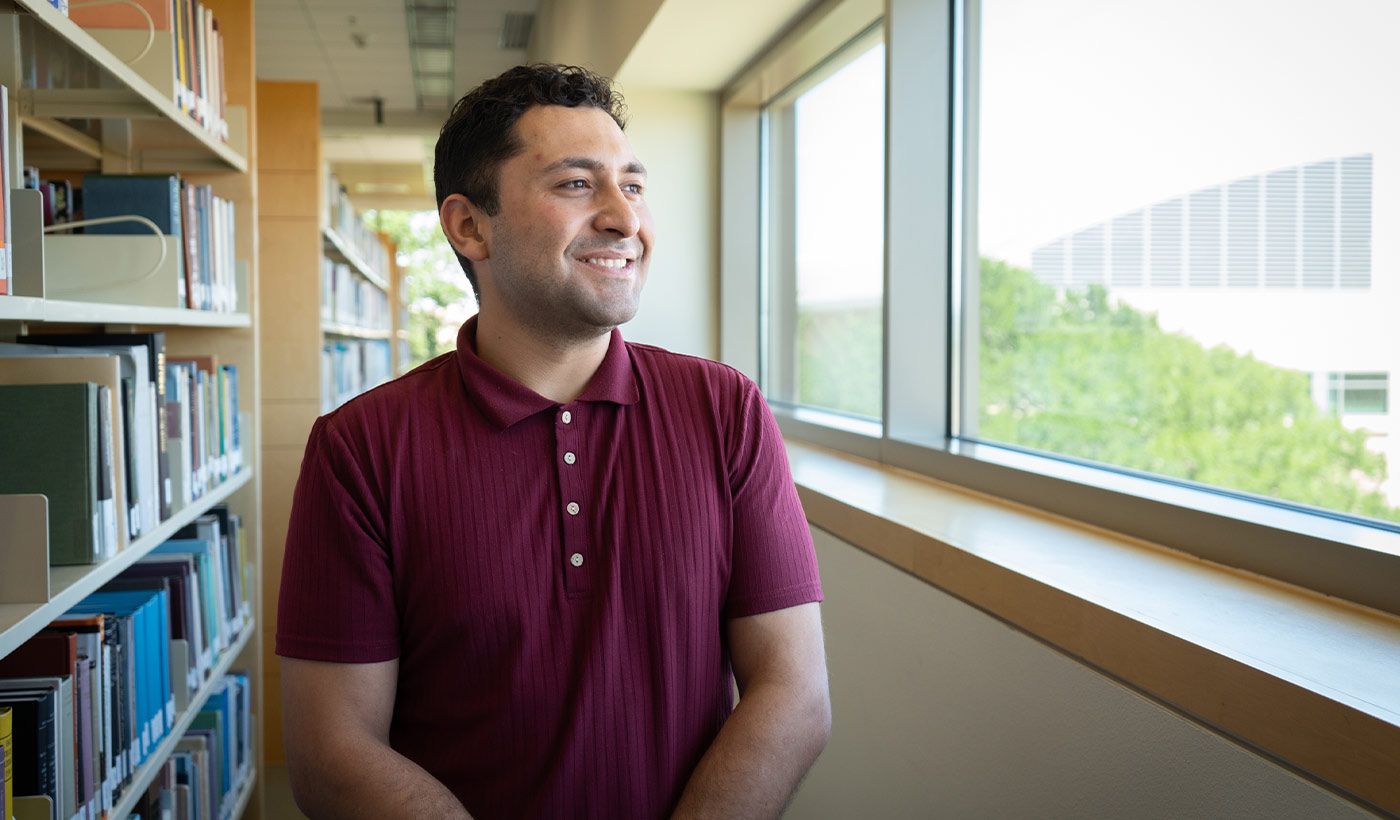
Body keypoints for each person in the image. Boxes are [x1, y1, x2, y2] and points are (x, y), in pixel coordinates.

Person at [276, 64, 830, 819]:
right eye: (576, 184)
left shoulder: (724, 409)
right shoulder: (361, 448)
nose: (623, 218)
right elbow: (331, 752)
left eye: (632, 186)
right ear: (470, 225)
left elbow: (793, 692)